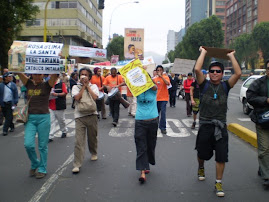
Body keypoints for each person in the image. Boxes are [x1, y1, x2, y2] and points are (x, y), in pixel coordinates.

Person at [194, 46, 241, 197]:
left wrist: (231, 55)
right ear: (209, 73)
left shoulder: (226, 86)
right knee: (202, 154)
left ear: (222, 74)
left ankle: (218, 183)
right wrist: (203, 53)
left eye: (218, 71)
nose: (215, 73)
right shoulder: (204, 84)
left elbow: (238, 73)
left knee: (221, 156)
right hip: (205, 125)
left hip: (220, 127)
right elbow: (197, 69)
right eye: (212, 71)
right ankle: (201, 167)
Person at [17, 72, 58, 179]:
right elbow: (17, 71)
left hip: (44, 118)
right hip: (30, 119)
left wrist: (59, 58)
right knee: (28, 144)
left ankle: (42, 168)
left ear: (43, 75)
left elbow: (55, 75)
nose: (37, 76)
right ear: (32, 74)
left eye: (40, 74)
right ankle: (35, 163)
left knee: (42, 146)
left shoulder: (47, 85)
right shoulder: (28, 83)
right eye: (35, 74)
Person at [71, 67, 99, 174]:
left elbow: (95, 97)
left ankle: (93, 152)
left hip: (92, 115)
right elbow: (77, 98)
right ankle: (77, 164)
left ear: (90, 77)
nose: (84, 76)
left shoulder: (94, 86)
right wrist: (83, 87)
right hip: (80, 116)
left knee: (92, 137)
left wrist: (88, 86)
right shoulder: (75, 87)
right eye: (82, 74)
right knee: (78, 141)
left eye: (86, 75)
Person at [246, 60, 269, 188]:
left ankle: (263, 168)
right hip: (263, 120)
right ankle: (267, 177)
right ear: (266, 70)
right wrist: (265, 100)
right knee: (264, 148)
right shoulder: (259, 83)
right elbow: (250, 96)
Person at [135, 72, 158, 183]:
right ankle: (142, 171)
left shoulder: (153, 88)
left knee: (150, 145)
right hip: (140, 121)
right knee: (141, 145)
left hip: (153, 120)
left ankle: (147, 162)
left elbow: (153, 86)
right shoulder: (137, 89)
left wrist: (146, 78)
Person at [48, 75, 68, 142]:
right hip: (51, 106)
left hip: (59, 106)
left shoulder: (61, 84)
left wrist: (57, 94)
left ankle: (64, 131)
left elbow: (65, 93)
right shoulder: (48, 84)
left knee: (61, 120)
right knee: (51, 121)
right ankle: (50, 136)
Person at [153, 65, 170, 134]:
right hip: (156, 99)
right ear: (156, 72)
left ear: (162, 71)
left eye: (160, 70)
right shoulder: (155, 79)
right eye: (158, 70)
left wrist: (162, 77)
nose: (159, 71)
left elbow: (167, 83)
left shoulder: (166, 77)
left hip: (164, 98)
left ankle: (163, 127)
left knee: (163, 113)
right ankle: (155, 126)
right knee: (156, 114)